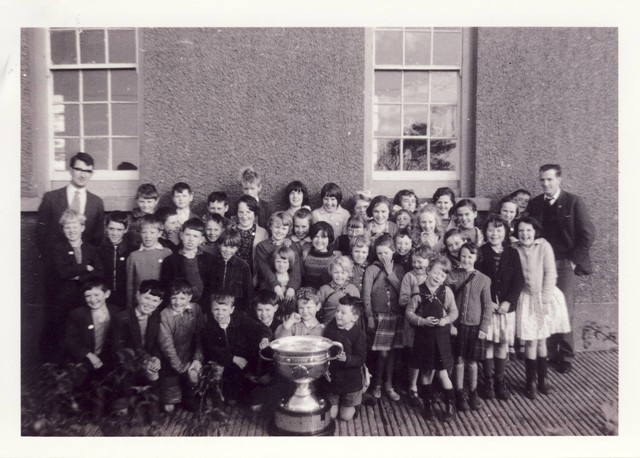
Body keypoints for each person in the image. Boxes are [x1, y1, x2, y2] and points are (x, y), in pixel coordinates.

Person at [527, 164, 595, 374]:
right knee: (543, 305)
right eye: (542, 180)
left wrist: (573, 261)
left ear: (559, 180)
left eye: (549, 179)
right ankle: (547, 352)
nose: (545, 184)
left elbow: (588, 235)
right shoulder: (536, 203)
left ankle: (566, 356)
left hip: (565, 263)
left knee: (564, 309)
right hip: (541, 263)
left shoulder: (573, 202)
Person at [513, 217, 571, 399]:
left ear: (535, 231)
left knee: (541, 341)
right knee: (530, 340)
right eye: (521, 231)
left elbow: (550, 273)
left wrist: (545, 299)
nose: (525, 234)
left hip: (543, 297)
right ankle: (530, 382)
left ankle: (542, 380)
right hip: (526, 298)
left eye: (528, 230)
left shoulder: (544, 246)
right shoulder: (514, 249)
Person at [475, 216, 524, 401]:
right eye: (490, 230)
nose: (494, 234)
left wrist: (508, 301)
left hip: (505, 308)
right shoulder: (481, 252)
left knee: (502, 343)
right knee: (488, 343)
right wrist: (488, 301)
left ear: (505, 232)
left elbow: (519, 280)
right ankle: (487, 381)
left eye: (498, 230)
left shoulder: (513, 253)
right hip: (488, 307)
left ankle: (500, 380)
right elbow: (477, 278)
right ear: (485, 232)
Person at [405, 254, 458, 422]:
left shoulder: (447, 292)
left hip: (441, 339)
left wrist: (445, 320)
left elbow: (454, 312)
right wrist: (422, 321)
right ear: (428, 270)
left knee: (443, 374)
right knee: (426, 372)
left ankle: (450, 405)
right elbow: (409, 313)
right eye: (435, 273)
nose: (438, 277)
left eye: (442, 275)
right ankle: (427, 404)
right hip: (424, 338)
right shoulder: (418, 291)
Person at [200, 291, 271, 408]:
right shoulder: (209, 327)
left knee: (249, 394)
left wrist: (265, 337)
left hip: (244, 361)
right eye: (216, 309)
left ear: (231, 310)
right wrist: (232, 358)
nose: (220, 314)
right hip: (225, 361)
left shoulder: (240, 318)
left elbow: (261, 328)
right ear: (211, 310)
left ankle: (249, 383)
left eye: (224, 310)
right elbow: (212, 350)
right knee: (230, 400)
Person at [447, 242, 492, 412]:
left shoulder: (484, 279)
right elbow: (447, 302)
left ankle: (473, 393)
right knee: (458, 360)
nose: (466, 259)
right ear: (459, 257)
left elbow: (487, 306)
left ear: (476, 257)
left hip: (474, 326)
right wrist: (450, 322)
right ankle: (459, 394)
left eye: (470, 256)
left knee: (472, 362)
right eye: (463, 256)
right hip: (457, 325)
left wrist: (484, 328)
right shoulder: (452, 275)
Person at [362, 233, 405, 402]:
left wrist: (390, 273)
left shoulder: (399, 270)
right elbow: (366, 295)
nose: (383, 256)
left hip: (396, 317)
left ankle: (389, 384)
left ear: (393, 251)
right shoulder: (371, 269)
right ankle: (378, 384)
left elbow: (403, 292)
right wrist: (370, 316)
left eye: (386, 253)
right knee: (383, 354)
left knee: (393, 353)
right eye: (379, 253)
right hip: (379, 318)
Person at [36, 152, 105, 251]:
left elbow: (98, 237)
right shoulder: (50, 198)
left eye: (88, 171)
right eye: (79, 170)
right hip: (55, 261)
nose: (83, 175)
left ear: (92, 174)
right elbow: (41, 234)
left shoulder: (96, 202)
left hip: (84, 262)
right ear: (70, 170)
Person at [158, 279, 204, 412]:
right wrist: (179, 367)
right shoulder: (165, 315)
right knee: (169, 408)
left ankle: (189, 396)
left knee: (193, 378)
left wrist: (196, 359)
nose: (178, 302)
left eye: (182, 298)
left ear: (189, 297)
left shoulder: (196, 309)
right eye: (174, 298)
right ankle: (176, 393)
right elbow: (167, 346)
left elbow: (199, 337)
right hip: (171, 364)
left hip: (190, 359)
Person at [63, 277, 117, 388]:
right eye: (88, 296)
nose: (92, 299)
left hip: (107, 360)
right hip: (84, 360)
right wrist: (89, 356)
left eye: (97, 295)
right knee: (83, 389)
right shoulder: (77, 314)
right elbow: (70, 342)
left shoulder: (116, 311)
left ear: (107, 294)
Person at [111, 279, 164, 388]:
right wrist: (144, 361)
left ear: (159, 303)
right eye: (146, 298)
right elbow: (120, 349)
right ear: (138, 295)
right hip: (126, 363)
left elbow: (156, 343)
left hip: (146, 361)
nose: (149, 303)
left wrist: (155, 359)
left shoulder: (156, 316)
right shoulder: (122, 318)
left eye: (154, 300)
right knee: (124, 392)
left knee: (154, 382)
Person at [322, 295, 367, 421]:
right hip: (333, 379)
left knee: (345, 417)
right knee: (331, 415)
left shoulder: (359, 333)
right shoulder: (331, 329)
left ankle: (357, 401)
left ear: (355, 318)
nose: (338, 315)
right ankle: (339, 402)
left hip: (351, 381)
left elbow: (361, 358)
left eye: (343, 313)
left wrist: (347, 359)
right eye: (337, 311)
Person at [398, 245, 432, 405]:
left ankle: (426, 387)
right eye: (414, 262)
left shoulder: (432, 276)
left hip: (430, 323)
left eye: (420, 262)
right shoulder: (409, 277)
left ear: (429, 261)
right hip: (413, 322)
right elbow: (403, 300)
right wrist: (419, 304)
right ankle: (412, 387)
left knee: (427, 354)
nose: (416, 265)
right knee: (414, 355)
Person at [160, 218, 215, 309]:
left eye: (195, 236)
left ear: (201, 239)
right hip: (178, 306)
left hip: (202, 306)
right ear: (181, 235)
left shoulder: (209, 259)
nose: (190, 239)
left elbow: (211, 287)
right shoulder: (170, 260)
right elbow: (167, 287)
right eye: (187, 235)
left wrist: (204, 307)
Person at [125, 214, 172, 308]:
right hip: (140, 304)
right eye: (144, 232)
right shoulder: (134, 256)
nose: (147, 236)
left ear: (159, 233)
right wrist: (130, 306)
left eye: (152, 232)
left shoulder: (167, 253)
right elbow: (129, 285)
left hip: (161, 303)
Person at [254, 212, 301, 303]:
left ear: (288, 230)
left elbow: (296, 271)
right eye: (277, 227)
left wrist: (292, 287)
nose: (280, 231)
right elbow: (265, 269)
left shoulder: (292, 246)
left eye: (284, 228)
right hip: (268, 286)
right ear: (270, 227)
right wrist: (276, 286)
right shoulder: (262, 246)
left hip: (288, 287)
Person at [209, 228, 255, 314]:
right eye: (225, 246)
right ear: (219, 245)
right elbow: (209, 288)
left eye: (232, 247)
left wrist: (246, 313)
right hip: (217, 309)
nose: (227, 250)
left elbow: (249, 293)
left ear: (237, 248)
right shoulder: (213, 263)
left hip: (237, 310)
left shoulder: (243, 266)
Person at [98, 211, 134, 308]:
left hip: (125, 297)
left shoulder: (131, 251)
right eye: (111, 229)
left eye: (119, 229)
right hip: (104, 298)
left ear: (125, 230)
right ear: (106, 228)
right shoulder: (99, 251)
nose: (114, 233)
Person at [318, 256, 360, 325]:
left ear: (349, 274)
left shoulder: (353, 289)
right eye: (336, 272)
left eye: (343, 273)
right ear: (330, 272)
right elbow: (318, 311)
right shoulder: (324, 289)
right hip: (328, 328)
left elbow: (357, 312)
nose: (339, 275)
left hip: (347, 329)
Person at [233, 194, 268, 275]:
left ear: (255, 213)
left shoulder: (263, 233)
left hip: (254, 276)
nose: (244, 216)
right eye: (241, 212)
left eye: (248, 212)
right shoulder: (231, 231)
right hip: (234, 275)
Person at [301, 221, 337, 290]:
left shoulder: (334, 258)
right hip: (307, 293)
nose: (319, 240)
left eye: (323, 237)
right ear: (311, 238)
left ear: (330, 239)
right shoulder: (305, 255)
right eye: (316, 236)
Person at [128, 183, 159, 249]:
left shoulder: (160, 217)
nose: (145, 205)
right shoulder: (130, 219)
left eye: (149, 202)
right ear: (136, 200)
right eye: (142, 201)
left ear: (156, 201)